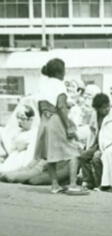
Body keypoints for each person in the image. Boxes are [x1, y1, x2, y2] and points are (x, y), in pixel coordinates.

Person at [33, 58, 88, 195]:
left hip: (44, 120)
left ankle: (54, 185)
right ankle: (73, 184)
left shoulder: (43, 85)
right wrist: (68, 126)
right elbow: (62, 107)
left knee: (51, 154)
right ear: (60, 71)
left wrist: (45, 122)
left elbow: (39, 106)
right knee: (73, 151)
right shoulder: (59, 84)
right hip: (56, 119)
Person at [78, 93, 112, 190]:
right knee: (83, 156)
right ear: (97, 108)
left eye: (108, 106)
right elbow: (92, 130)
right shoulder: (94, 115)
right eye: (103, 107)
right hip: (96, 144)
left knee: (96, 158)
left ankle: (101, 184)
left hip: (109, 145)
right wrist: (90, 145)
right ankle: (88, 181)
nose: (106, 109)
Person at [0, 104, 38, 173]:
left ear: (31, 119)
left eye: (23, 118)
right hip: (12, 158)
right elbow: (11, 148)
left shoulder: (34, 133)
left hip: (23, 160)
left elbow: (31, 153)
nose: (19, 121)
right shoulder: (18, 132)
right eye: (18, 118)